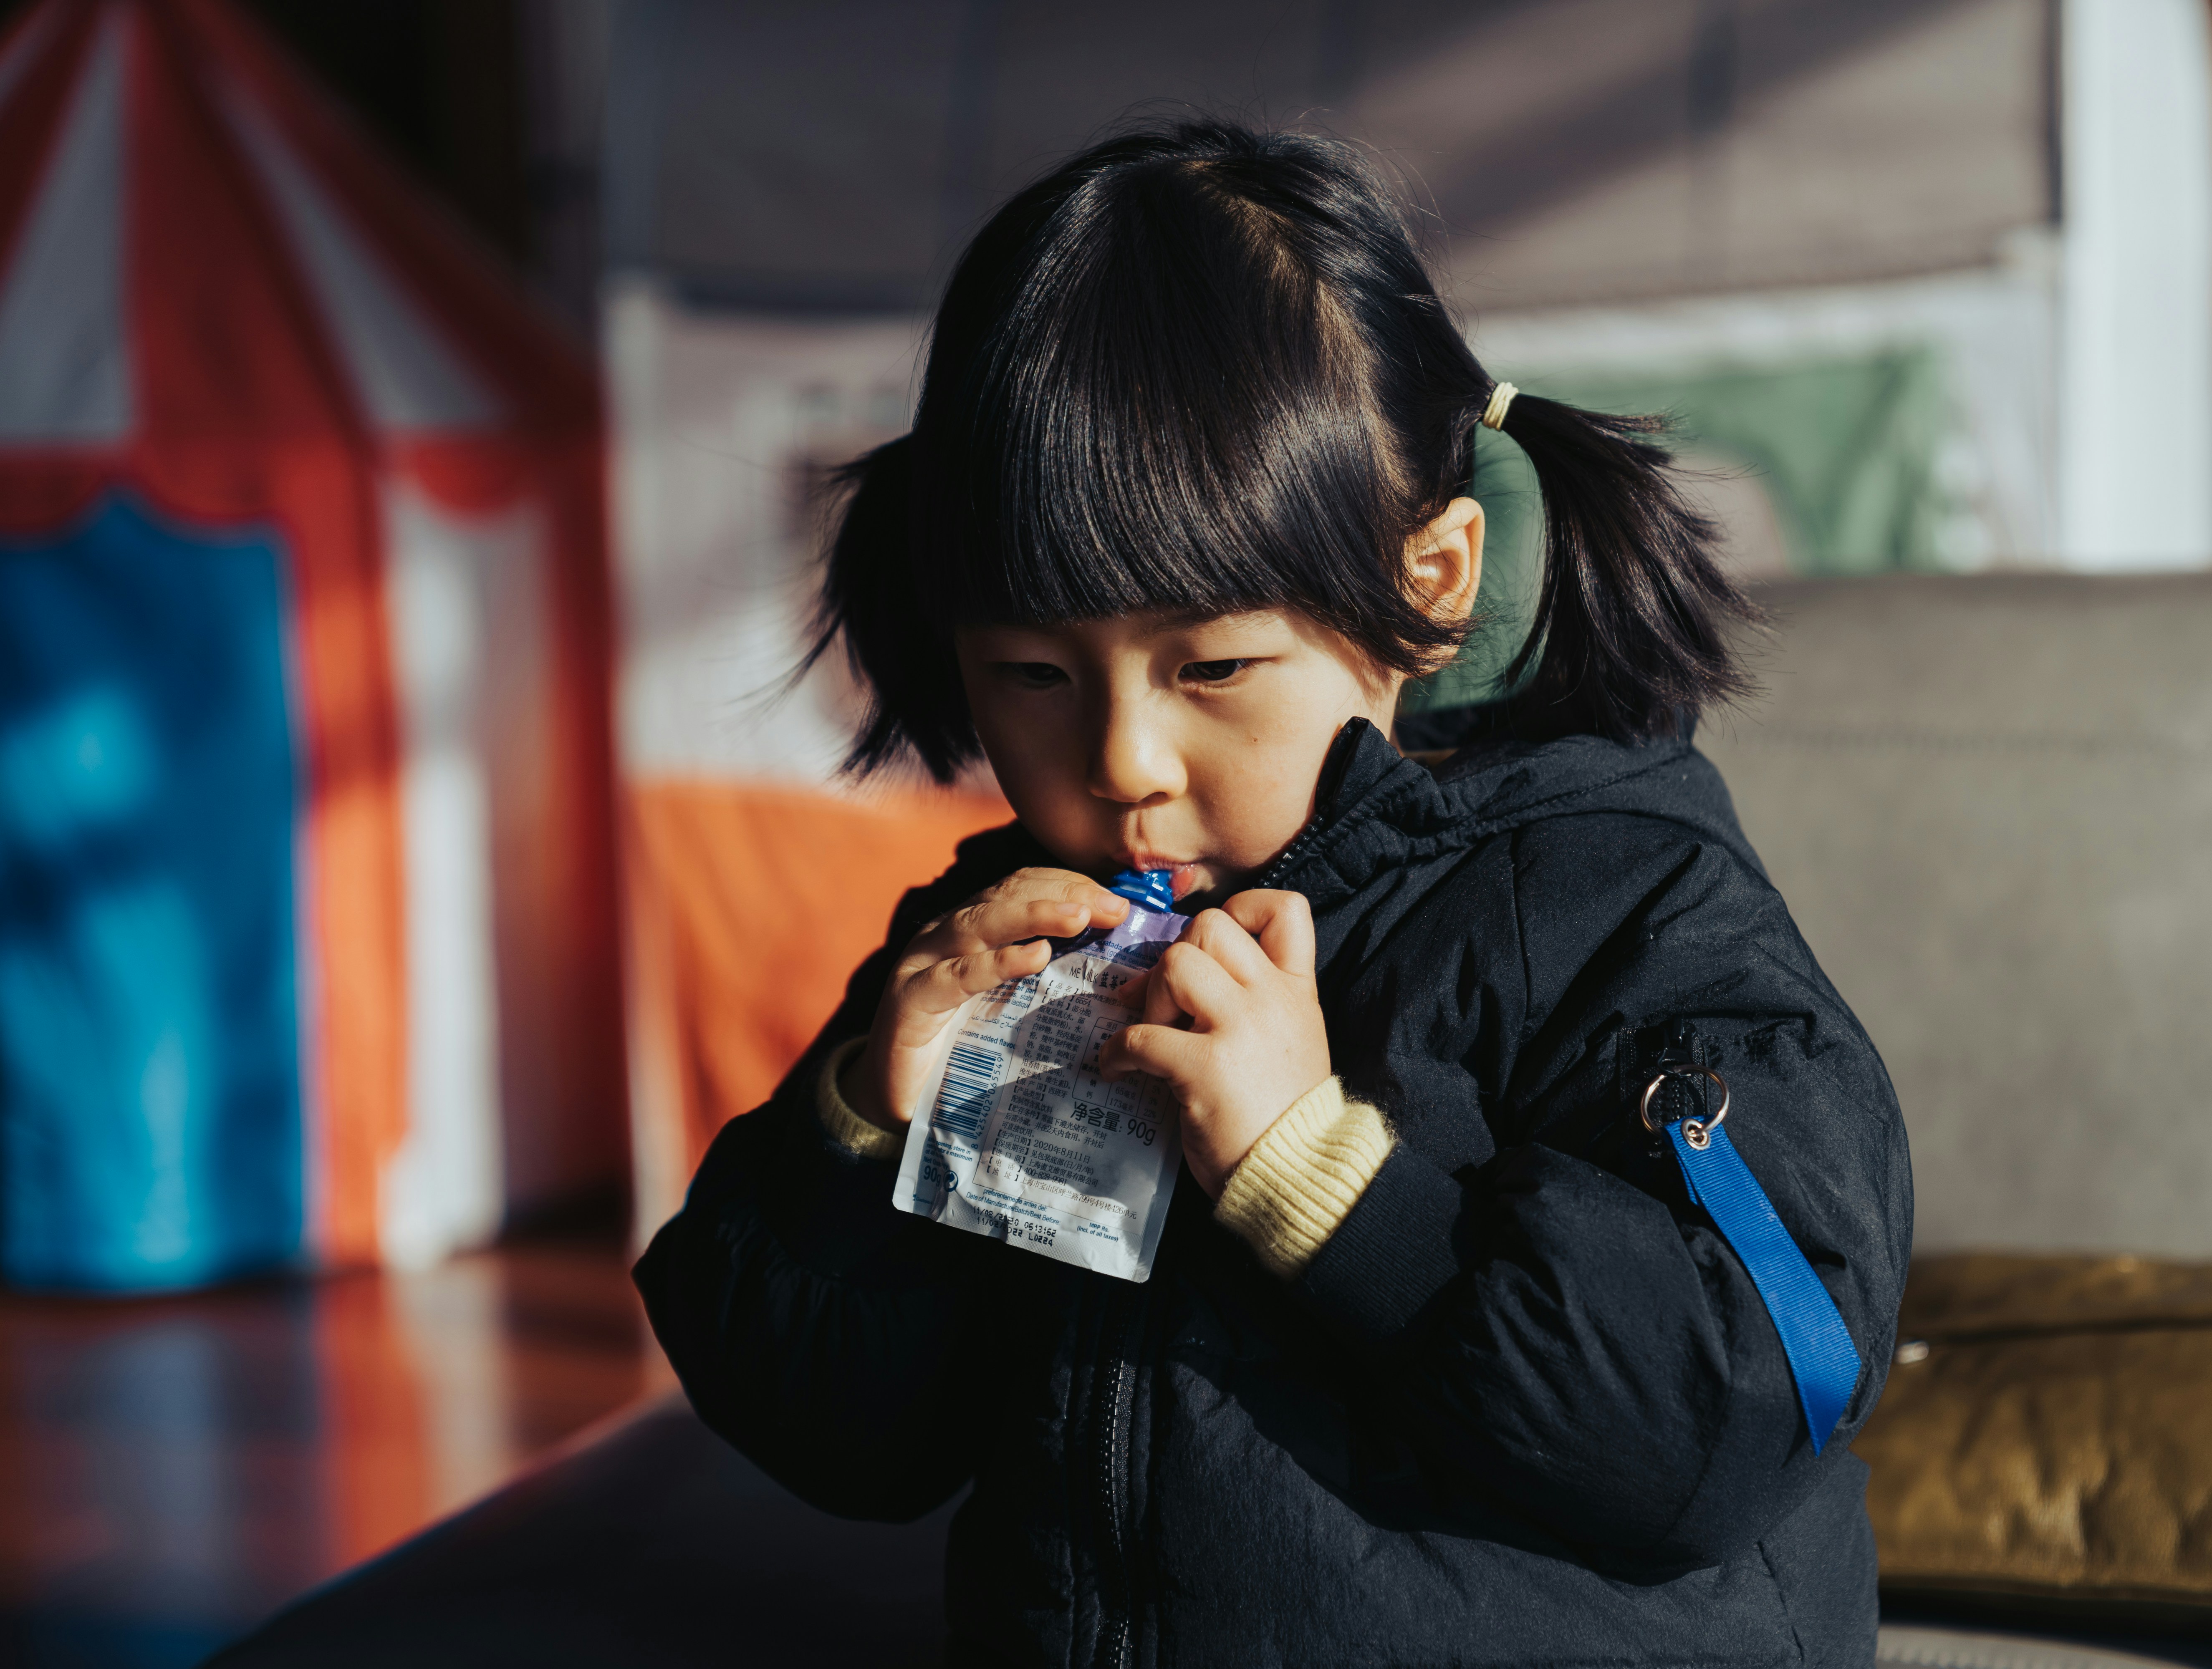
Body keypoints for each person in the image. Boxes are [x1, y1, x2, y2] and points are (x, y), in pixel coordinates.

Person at [634, 118, 1912, 1669]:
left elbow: (1721, 1424)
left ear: (1432, 582)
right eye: (1031, 673)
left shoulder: (1621, 907)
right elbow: (851, 1449)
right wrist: (856, 1128)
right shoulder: (1015, 929)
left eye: (1215, 667)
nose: (1124, 759)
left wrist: (1318, 1175)